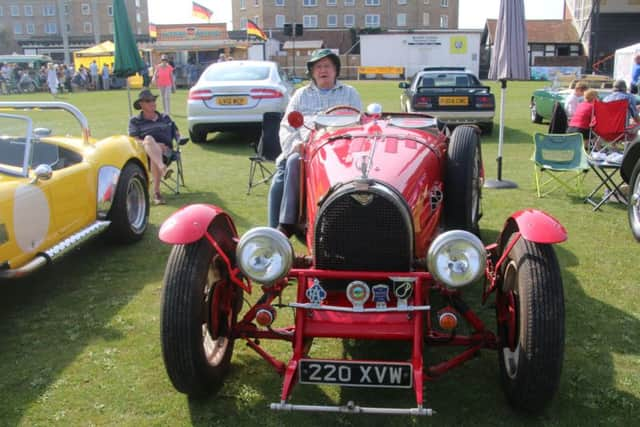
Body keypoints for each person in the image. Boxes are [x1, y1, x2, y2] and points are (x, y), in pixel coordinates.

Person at [268, 49, 362, 237]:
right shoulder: (300, 94)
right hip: (305, 146)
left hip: (339, 149)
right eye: (318, 67)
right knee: (287, 166)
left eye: (327, 66)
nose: (322, 70)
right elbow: (287, 124)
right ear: (312, 72)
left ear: (336, 70)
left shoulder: (350, 93)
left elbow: (359, 124)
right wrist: (295, 144)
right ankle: (279, 229)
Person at [128, 89, 180, 205]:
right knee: (149, 139)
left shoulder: (165, 118)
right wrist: (155, 146)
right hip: (144, 155)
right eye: (148, 101)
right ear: (141, 104)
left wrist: (178, 139)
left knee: (153, 152)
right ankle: (160, 177)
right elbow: (134, 141)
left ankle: (157, 193)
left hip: (167, 153)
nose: (152, 102)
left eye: (153, 100)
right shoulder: (135, 121)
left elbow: (177, 134)